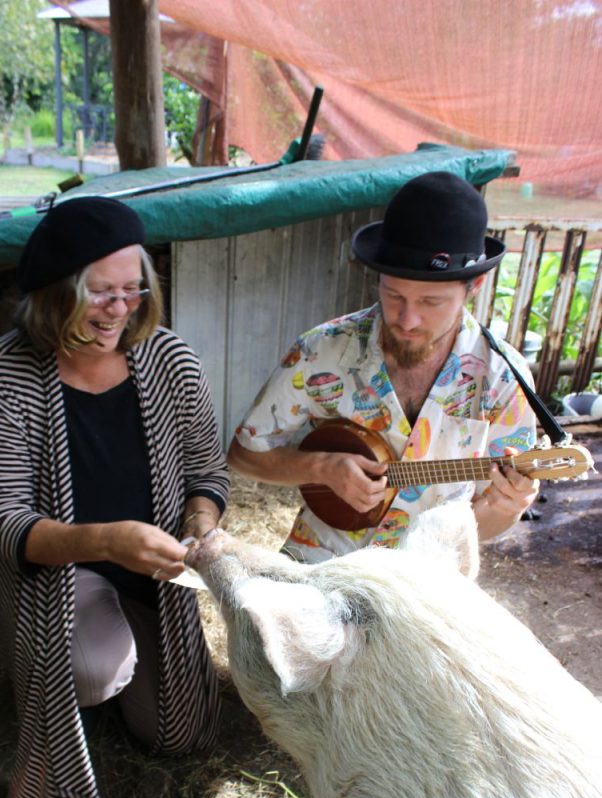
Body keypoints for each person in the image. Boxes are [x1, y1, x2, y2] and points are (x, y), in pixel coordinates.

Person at [0, 196, 230, 798]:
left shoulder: (169, 359)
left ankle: (125, 638)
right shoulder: (2, 374)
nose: (120, 310)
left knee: (181, 734)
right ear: (56, 294)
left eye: (133, 291)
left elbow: (206, 472)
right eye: (100, 294)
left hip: (151, 574)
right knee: (90, 671)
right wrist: (108, 542)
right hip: (58, 574)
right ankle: (51, 661)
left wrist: (202, 524)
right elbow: (1, 522)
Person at [228, 171, 539, 562]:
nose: (407, 319)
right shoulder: (320, 351)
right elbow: (244, 455)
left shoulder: (503, 379)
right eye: (393, 294)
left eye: (430, 302)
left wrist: (507, 506)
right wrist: (321, 467)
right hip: (320, 567)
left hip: (422, 586)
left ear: (474, 284)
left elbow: (483, 527)